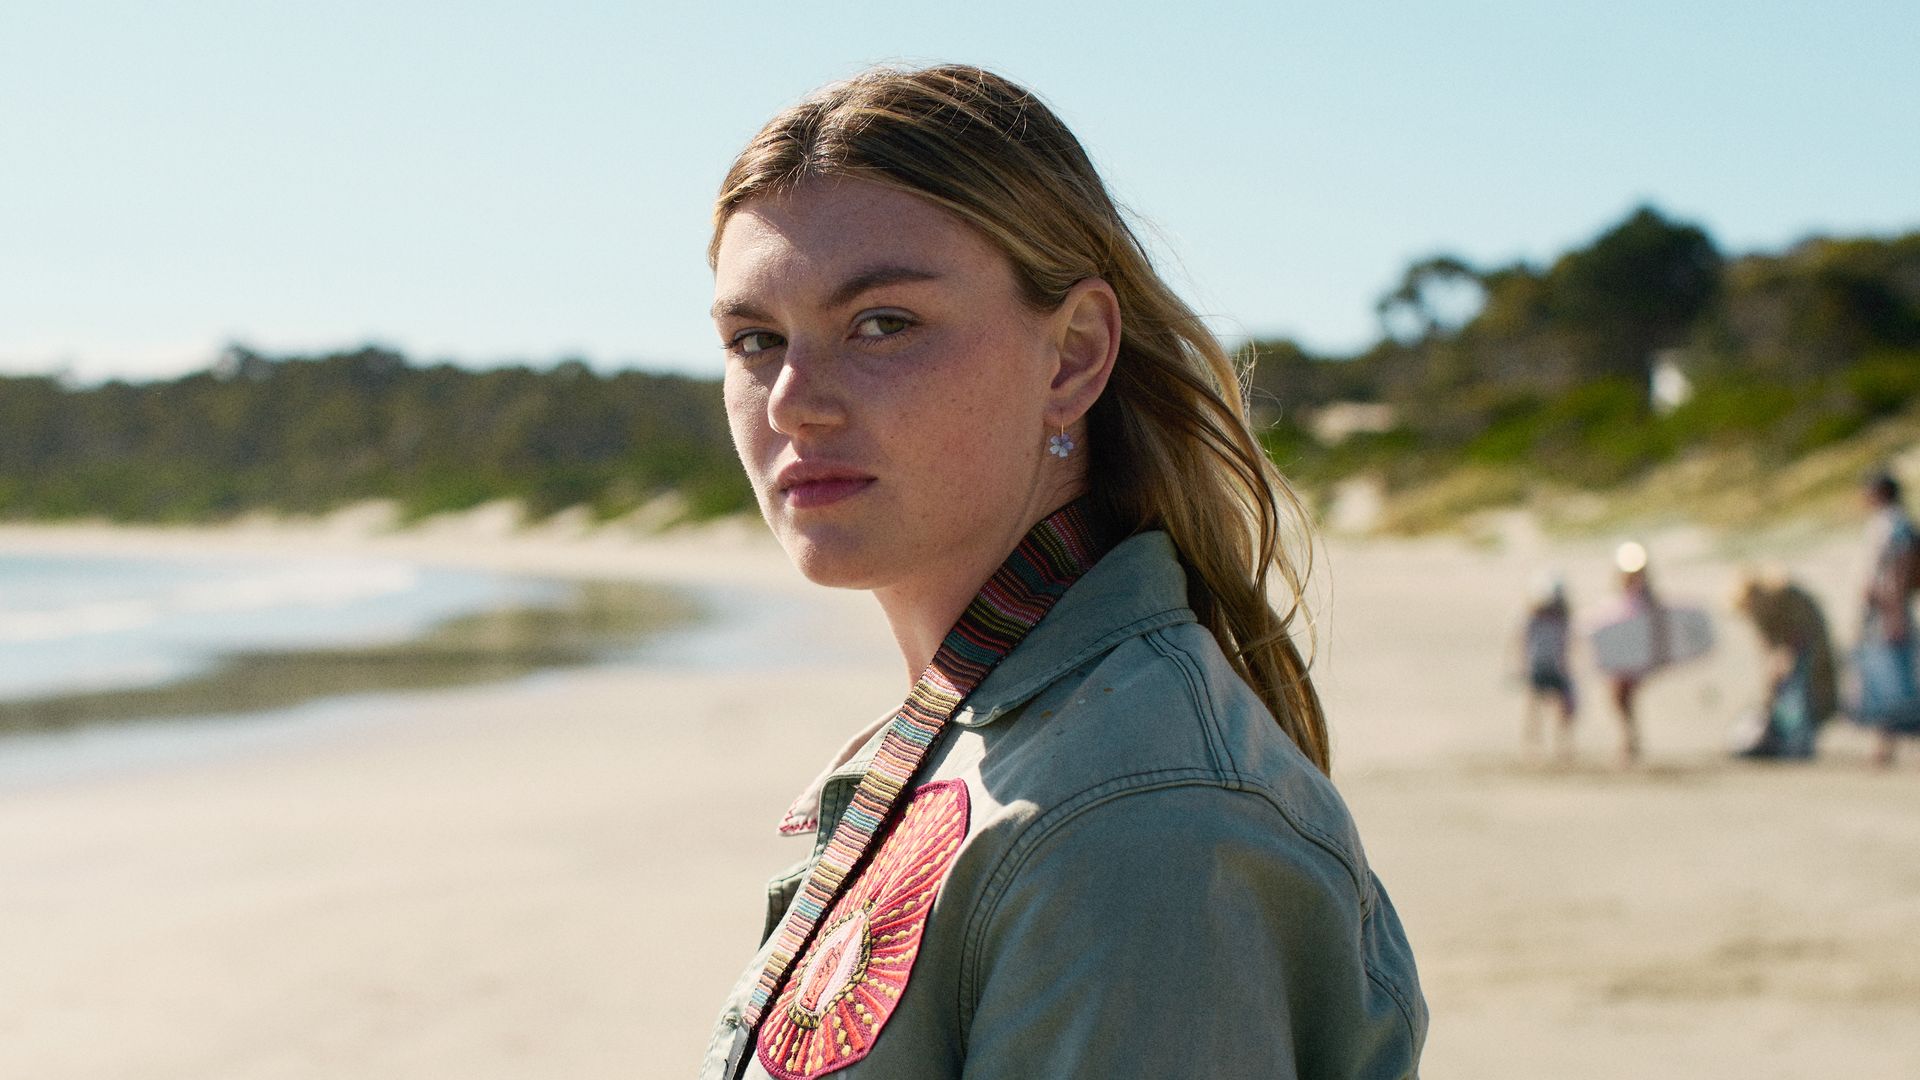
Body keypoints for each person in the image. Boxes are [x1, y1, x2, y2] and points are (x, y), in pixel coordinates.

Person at [698, 65, 1424, 1079]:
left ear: (1075, 355)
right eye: (755, 340)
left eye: (883, 323)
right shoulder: (1002, 739)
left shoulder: (1132, 819)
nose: (791, 401)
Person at [1730, 567, 1838, 759]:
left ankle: (1798, 743)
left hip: (1809, 658)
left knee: (1801, 698)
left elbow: (1801, 635)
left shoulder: (1786, 598)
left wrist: (1785, 659)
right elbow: (1767, 650)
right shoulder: (1764, 612)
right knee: (1786, 699)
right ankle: (1789, 740)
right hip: (1798, 658)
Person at [1855, 469, 1919, 766]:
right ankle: (1884, 744)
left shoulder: (1892, 525)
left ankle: (1889, 744)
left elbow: (1900, 570)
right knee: (1886, 678)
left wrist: (1894, 612)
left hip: (1888, 612)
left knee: (1894, 679)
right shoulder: (1890, 523)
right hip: (1885, 610)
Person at [1518, 573, 1577, 760]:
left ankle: (1563, 744)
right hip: (1538, 666)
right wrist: (1522, 665)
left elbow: (1568, 643)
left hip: (1558, 667)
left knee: (1563, 708)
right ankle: (1532, 744)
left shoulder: (1562, 620)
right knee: (1535, 707)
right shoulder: (1532, 619)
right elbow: (1522, 642)